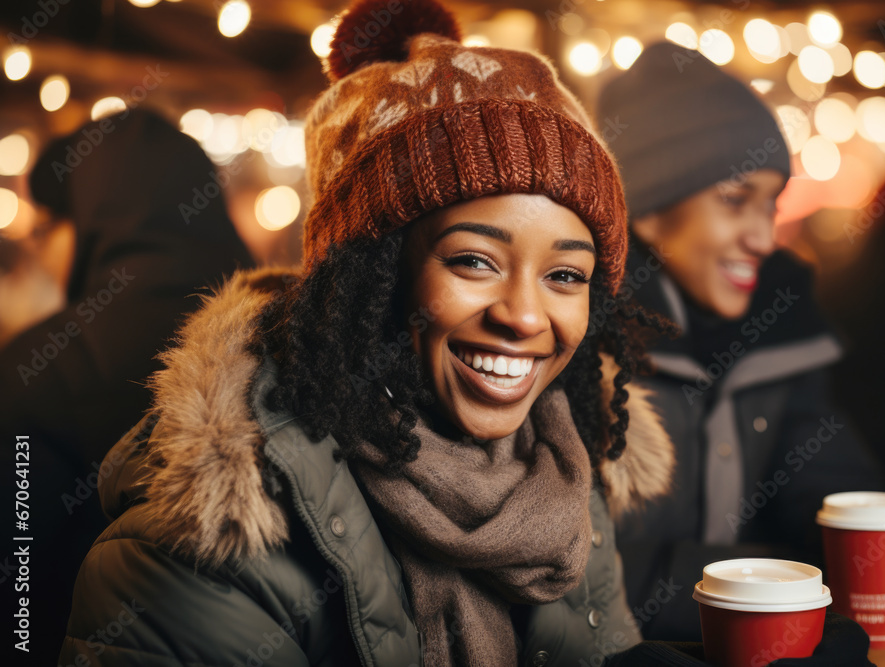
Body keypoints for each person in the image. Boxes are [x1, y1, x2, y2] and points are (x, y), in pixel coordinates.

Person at [56, 1, 685, 665]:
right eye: (474, 260)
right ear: (368, 278)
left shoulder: (566, 473)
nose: (526, 316)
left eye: (565, 274)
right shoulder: (199, 553)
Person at [597, 40, 885, 643]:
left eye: (772, 204)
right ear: (649, 210)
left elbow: (822, 489)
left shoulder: (780, 338)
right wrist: (785, 581)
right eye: (735, 201)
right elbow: (578, 576)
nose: (764, 236)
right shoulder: (572, 345)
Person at [0, 108, 253, 666]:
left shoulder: (39, 368)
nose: (40, 251)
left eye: (46, 228)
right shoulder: (286, 331)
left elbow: (17, 581)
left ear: (91, 220)